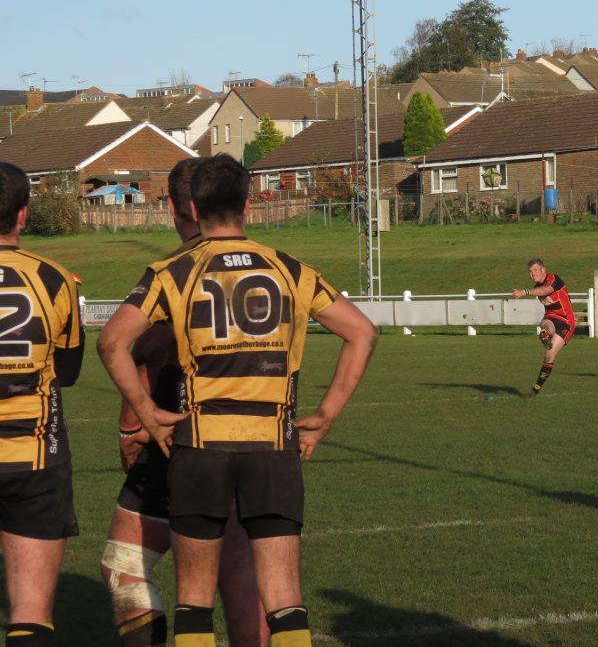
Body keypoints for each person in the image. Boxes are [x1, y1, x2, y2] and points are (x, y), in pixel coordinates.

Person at [97, 155, 378, 647]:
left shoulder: (173, 271)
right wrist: (325, 416)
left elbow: (113, 342)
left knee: (194, 605)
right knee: (286, 602)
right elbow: (362, 332)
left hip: (200, 448)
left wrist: (145, 412)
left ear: (192, 206)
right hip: (272, 447)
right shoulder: (290, 269)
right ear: (248, 204)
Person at [100, 158, 268, 647]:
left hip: (181, 438)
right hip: (257, 439)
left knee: (126, 566)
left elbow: (138, 348)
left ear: (179, 208)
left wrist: (132, 422)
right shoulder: (268, 264)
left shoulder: (175, 272)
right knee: (238, 575)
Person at [0, 162, 84, 645]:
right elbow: (68, 373)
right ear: (24, 215)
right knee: (30, 610)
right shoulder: (55, 279)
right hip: (35, 456)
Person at [513, 259, 574, 397]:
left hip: (566, 320)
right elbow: (541, 292)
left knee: (549, 355)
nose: (532, 274)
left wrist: (525, 291)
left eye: (535, 270)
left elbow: (546, 290)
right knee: (544, 327)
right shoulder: (536, 286)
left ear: (543, 270)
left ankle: (535, 389)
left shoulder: (554, 279)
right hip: (551, 317)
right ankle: (545, 334)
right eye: (530, 272)